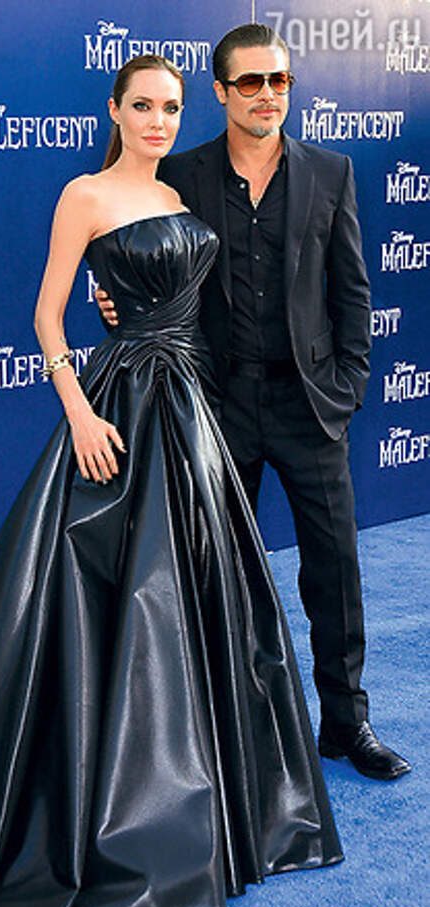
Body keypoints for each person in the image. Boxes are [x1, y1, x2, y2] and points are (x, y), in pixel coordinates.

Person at [0, 55, 344, 907]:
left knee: (205, 599)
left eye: (170, 107)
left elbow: (184, 296)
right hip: (119, 407)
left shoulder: (176, 196)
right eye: (144, 106)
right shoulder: (84, 195)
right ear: (115, 110)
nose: (159, 121)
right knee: (106, 594)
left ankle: (215, 799)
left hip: (192, 410)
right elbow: (46, 314)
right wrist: (81, 412)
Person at [97, 24, 411, 782]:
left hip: (311, 406)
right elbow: (142, 261)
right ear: (220, 91)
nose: (268, 95)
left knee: (334, 570)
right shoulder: (182, 174)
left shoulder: (331, 172)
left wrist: (347, 387)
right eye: (250, 82)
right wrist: (119, 307)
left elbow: (352, 291)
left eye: (279, 81)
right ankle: (228, 731)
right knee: (217, 571)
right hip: (218, 403)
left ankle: (347, 723)